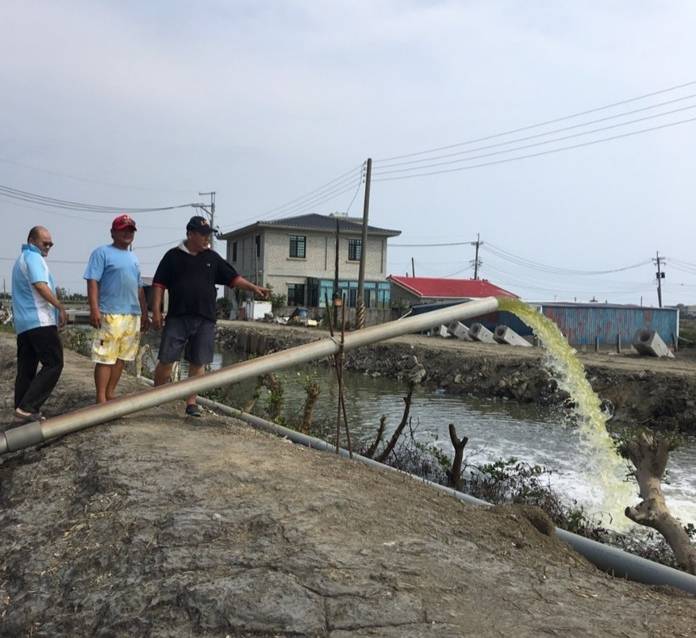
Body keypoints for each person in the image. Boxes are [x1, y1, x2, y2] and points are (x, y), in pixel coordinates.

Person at [151, 215, 269, 417]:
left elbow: (233, 278)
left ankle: (191, 402)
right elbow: (159, 284)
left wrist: (252, 288)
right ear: (190, 234)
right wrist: (156, 311)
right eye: (203, 234)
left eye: (208, 235)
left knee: (198, 361)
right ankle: (155, 397)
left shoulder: (212, 258)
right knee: (166, 359)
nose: (207, 238)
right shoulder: (172, 256)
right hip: (178, 317)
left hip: (205, 318)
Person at [84, 214, 149, 404]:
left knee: (122, 357)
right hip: (110, 313)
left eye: (130, 230)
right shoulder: (101, 253)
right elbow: (92, 281)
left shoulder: (133, 258)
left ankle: (111, 393)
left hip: (131, 314)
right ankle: (101, 397)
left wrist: (144, 313)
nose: (127, 233)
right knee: (105, 357)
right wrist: (94, 309)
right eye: (123, 229)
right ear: (113, 232)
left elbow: (139, 288)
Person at [11, 226, 67, 423]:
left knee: (26, 369)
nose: (49, 246)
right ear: (32, 241)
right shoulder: (34, 258)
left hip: (24, 325)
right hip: (39, 322)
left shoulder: (21, 260)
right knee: (54, 362)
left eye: (51, 243)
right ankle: (28, 407)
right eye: (46, 242)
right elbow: (40, 285)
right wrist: (59, 306)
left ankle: (21, 410)